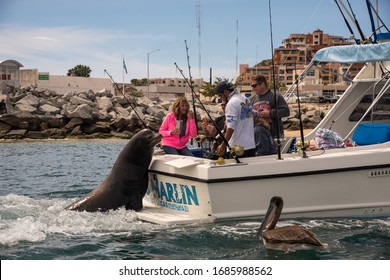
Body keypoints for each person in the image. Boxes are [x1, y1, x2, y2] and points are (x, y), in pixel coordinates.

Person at [250, 75, 290, 155]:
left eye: (254, 86)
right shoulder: (252, 99)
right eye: (252, 86)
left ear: (262, 84)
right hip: (258, 136)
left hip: (273, 135)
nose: (253, 88)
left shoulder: (276, 96)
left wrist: (270, 113)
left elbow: (286, 111)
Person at [214, 81, 256, 158]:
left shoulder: (231, 104)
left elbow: (230, 127)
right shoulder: (246, 99)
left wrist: (223, 145)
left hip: (237, 148)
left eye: (220, 96)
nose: (221, 99)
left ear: (226, 92)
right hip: (250, 145)